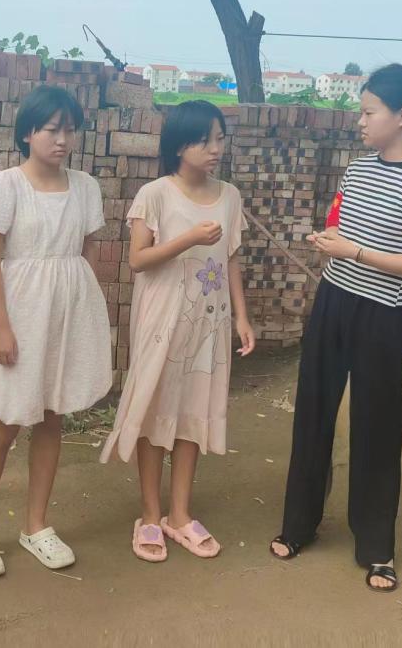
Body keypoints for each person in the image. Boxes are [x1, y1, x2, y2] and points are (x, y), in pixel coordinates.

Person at [269, 63, 402, 593]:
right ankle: (298, 524)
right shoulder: (358, 170)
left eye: (369, 112)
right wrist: (329, 242)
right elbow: (341, 225)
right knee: (313, 411)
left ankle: (377, 547)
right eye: (362, 111)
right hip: (333, 300)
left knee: (376, 425)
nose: (361, 121)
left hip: (382, 315)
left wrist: (353, 251)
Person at [0, 85, 113, 578]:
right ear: (27, 133)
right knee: (6, 421)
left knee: (51, 417)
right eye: (51, 130)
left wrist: (83, 308)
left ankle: (36, 525)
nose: (62, 139)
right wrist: (2, 326)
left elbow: (89, 250)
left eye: (70, 130)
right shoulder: (3, 185)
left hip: (66, 316)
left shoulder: (85, 187)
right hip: (20, 314)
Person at [101, 99, 255, 562]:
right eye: (204, 140)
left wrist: (242, 317)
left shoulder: (230, 196)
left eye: (220, 139)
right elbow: (138, 260)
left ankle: (180, 514)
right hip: (162, 321)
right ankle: (150, 515)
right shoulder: (155, 195)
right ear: (179, 145)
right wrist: (188, 239)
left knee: (193, 413)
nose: (215, 149)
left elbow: (231, 259)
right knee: (156, 412)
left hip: (209, 322)